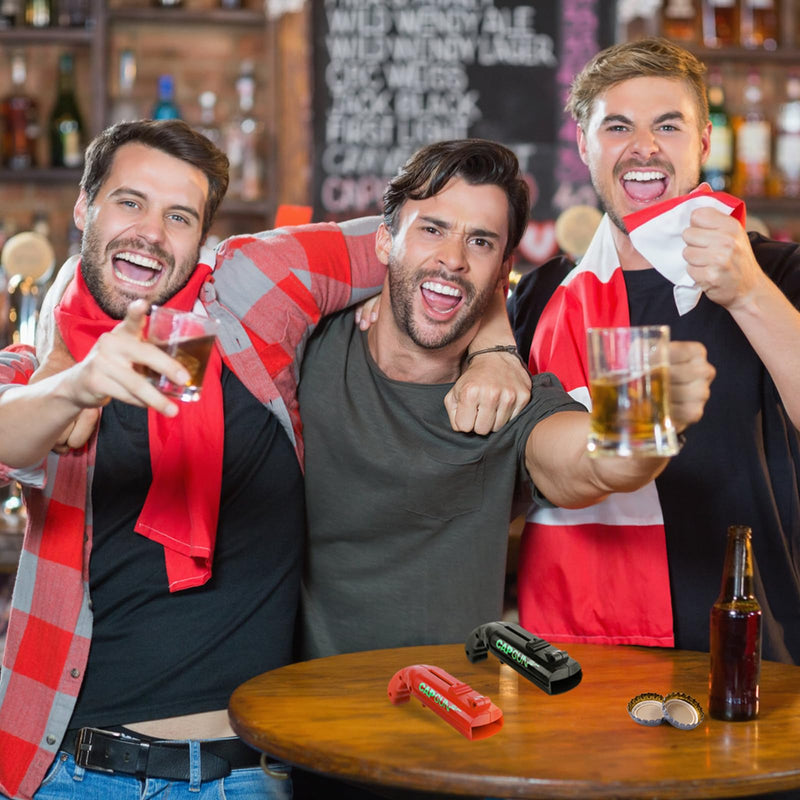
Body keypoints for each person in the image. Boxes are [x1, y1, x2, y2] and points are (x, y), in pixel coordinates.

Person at [0, 121, 559, 800]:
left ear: (202, 235)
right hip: (71, 773)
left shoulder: (254, 292)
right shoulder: (45, 369)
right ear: (84, 208)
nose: (149, 232)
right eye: (128, 202)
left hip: (244, 777)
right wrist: (79, 382)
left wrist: (496, 340)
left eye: (177, 215)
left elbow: (441, 254)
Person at [298, 138, 714, 662]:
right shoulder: (307, 348)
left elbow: (589, 467)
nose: (452, 259)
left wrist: (646, 418)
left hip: (453, 720)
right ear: (384, 242)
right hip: (298, 716)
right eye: (432, 229)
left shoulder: (512, 393)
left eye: (480, 242)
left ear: (502, 271)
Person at [508, 38, 800, 665]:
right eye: (618, 126)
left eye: (667, 125)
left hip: (756, 649)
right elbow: (529, 470)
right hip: (581, 660)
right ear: (584, 145)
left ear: (700, 145)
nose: (643, 146)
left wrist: (749, 294)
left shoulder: (778, 270)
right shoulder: (540, 296)